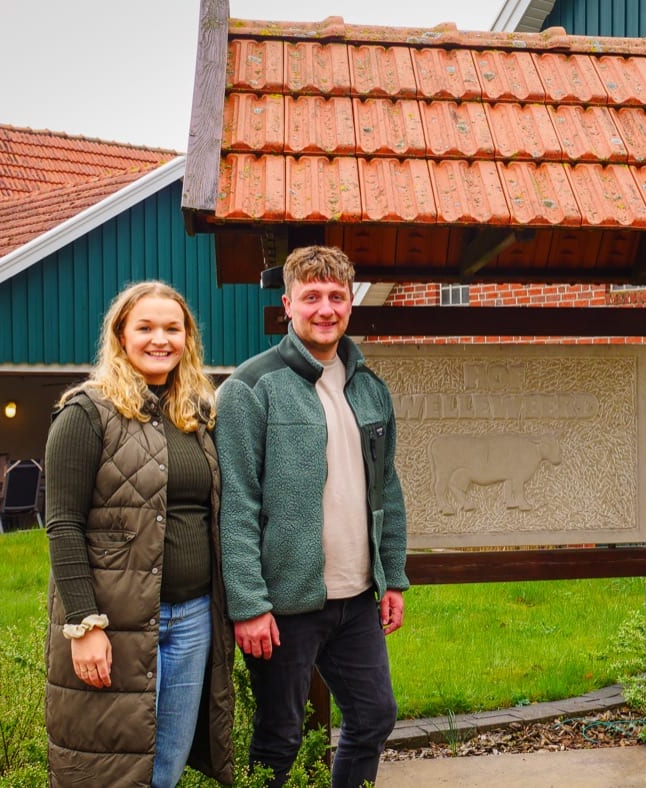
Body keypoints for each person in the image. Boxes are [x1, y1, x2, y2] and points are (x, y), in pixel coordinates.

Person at [216, 245, 409, 788]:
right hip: (284, 606)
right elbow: (236, 504)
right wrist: (249, 604)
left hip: (356, 600)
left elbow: (386, 490)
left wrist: (392, 577)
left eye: (336, 297)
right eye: (312, 297)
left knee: (374, 716)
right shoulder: (251, 389)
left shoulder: (369, 387)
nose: (325, 308)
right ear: (287, 305)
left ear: (349, 304)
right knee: (279, 738)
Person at [43, 281, 234, 787]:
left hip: (193, 618)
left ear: (187, 338)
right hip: (115, 622)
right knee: (109, 771)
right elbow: (63, 525)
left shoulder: (196, 415)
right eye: (145, 327)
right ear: (120, 335)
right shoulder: (86, 412)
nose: (160, 339)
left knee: (165, 769)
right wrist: (84, 625)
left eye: (173, 328)